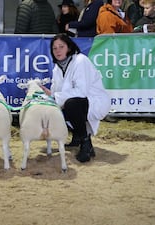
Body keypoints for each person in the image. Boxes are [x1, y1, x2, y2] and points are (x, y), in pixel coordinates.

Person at [40, 34, 110, 163]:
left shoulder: (80, 60)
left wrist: (55, 96)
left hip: (94, 102)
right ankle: (76, 137)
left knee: (72, 105)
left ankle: (85, 143)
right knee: (54, 108)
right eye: (54, 48)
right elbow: (57, 93)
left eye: (61, 47)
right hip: (78, 102)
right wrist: (48, 93)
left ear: (69, 47)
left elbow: (81, 92)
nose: (58, 51)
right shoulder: (57, 68)